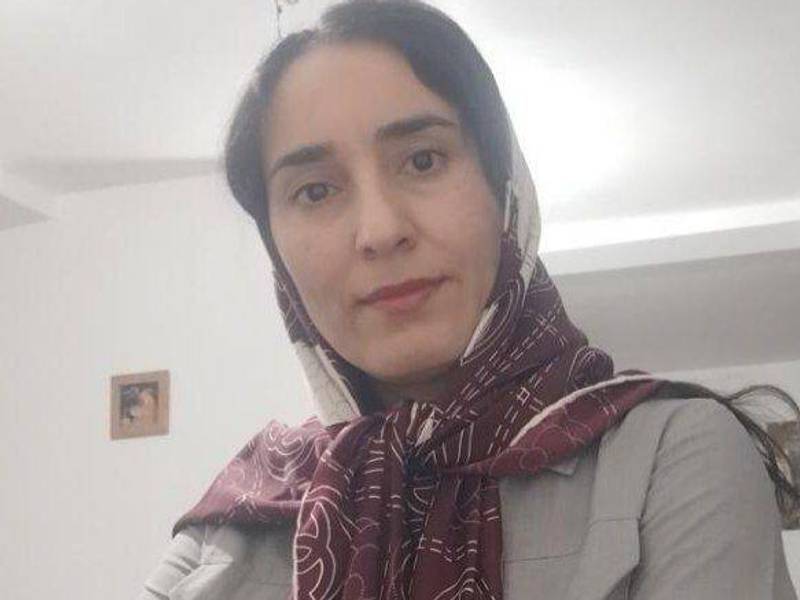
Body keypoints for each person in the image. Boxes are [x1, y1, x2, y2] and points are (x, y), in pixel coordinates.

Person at [139, 1, 800, 598]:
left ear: (503, 188)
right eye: (315, 191)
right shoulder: (241, 515)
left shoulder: (670, 455)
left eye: (422, 160)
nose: (380, 230)